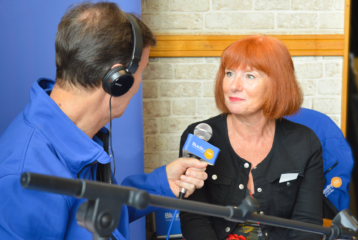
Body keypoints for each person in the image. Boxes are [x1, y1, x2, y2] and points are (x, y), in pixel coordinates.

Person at [0, 2, 207, 240]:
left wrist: (161, 184)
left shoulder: (79, 136)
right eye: (143, 70)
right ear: (119, 79)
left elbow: (95, 214)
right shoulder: (24, 177)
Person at [179, 35, 324, 240]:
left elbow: (307, 223)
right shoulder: (201, 136)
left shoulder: (305, 142)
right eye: (229, 73)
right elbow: (194, 218)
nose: (233, 86)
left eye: (250, 76)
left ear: (278, 83)